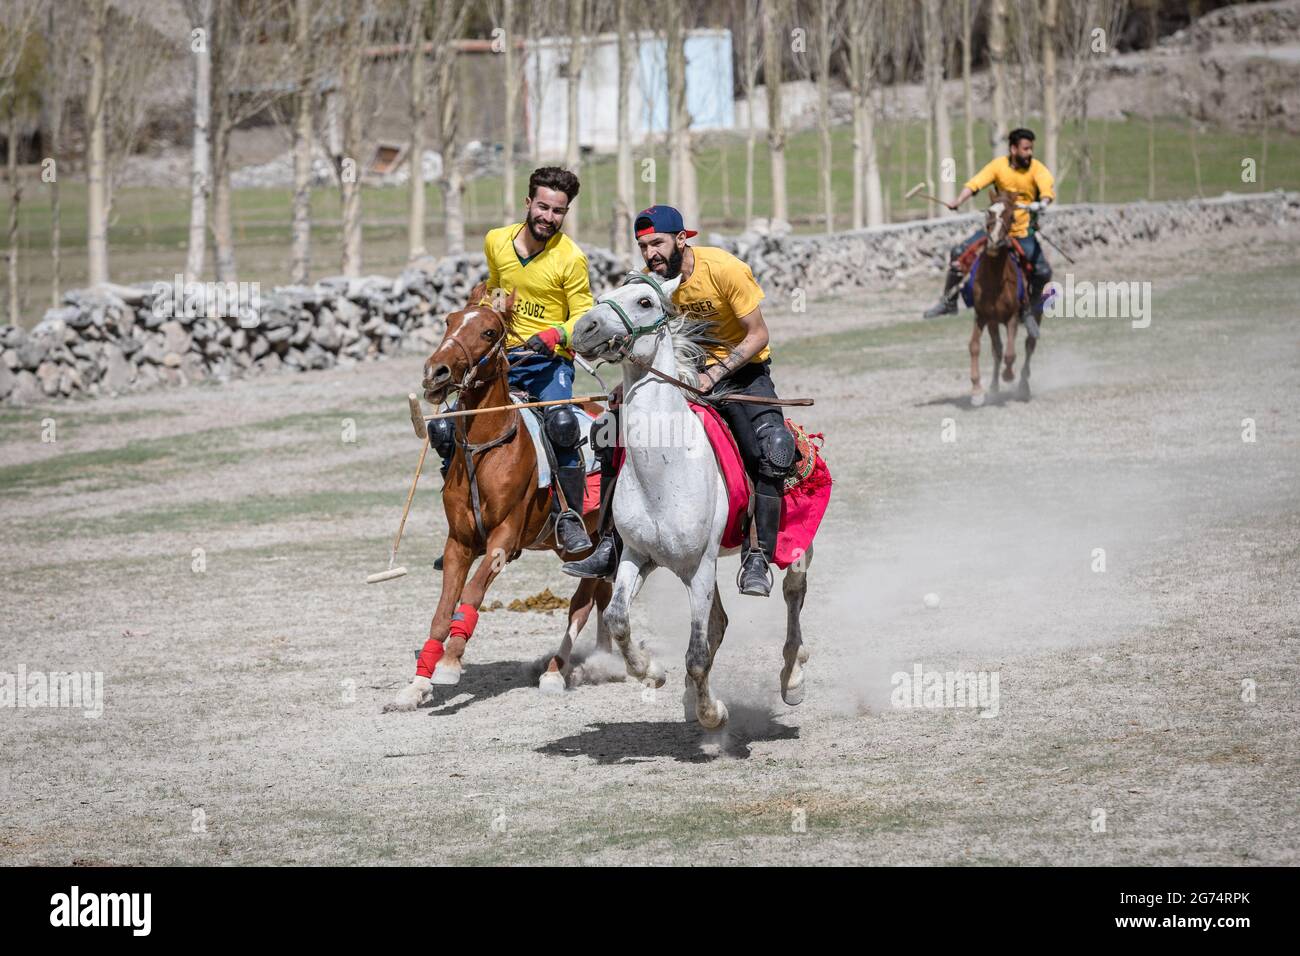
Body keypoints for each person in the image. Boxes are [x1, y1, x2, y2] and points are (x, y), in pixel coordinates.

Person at [563, 205, 796, 598]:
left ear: (682, 239)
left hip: (741, 373)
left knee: (773, 448)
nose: (650, 252)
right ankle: (610, 543)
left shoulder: (724, 269)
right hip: (679, 373)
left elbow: (758, 334)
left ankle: (756, 553)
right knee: (609, 433)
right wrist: (628, 380)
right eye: (642, 245)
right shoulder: (648, 285)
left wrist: (714, 374)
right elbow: (641, 337)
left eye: (657, 243)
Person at [428, 166, 595, 556]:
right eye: (543, 207)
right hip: (501, 360)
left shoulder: (571, 258)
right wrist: (487, 302)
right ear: (528, 203)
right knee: (443, 429)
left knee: (563, 423)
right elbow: (494, 285)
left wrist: (556, 335)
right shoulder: (496, 241)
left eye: (558, 211)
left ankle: (569, 516)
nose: (548, 217)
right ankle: (462, 521)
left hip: (549, 363)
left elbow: (585, 318)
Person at [922, 127, 1055, 332]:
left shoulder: (1037, 169)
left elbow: (1046, 189)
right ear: (1013, 149)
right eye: (1025, 149)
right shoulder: (998, 166)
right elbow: (975, 184)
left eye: (1031, 149)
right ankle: (949, 301)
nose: (1029, 153)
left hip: (1022, 232)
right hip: (996, 229)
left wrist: (1042, 203)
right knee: (958, 254)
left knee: (1043, 271)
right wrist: (958, 200)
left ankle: (1029, 311)